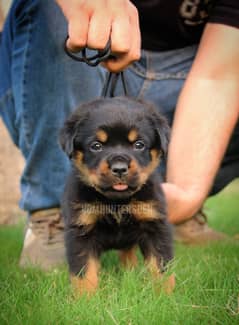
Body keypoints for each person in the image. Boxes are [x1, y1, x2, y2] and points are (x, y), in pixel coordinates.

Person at [0, 0, 238, 270]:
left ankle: (163, 210)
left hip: (187, 72)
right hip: (68, 61)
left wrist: (187, 193)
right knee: (53, 10)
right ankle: (53, 212)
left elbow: (218, 77)